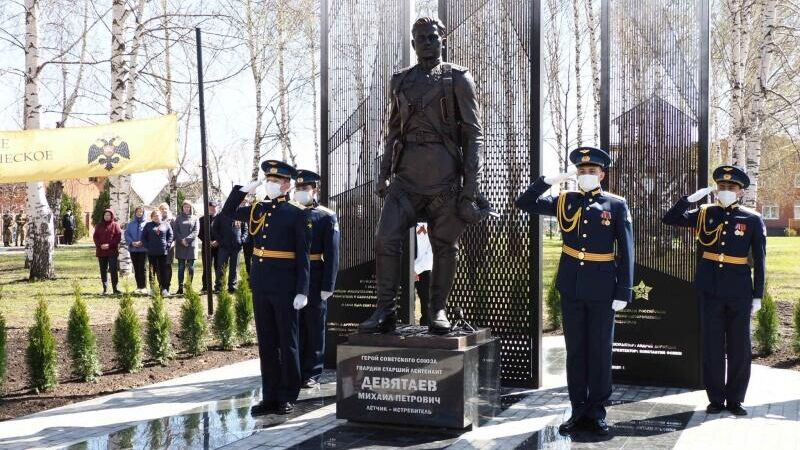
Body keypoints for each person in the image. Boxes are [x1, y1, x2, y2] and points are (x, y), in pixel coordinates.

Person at [359, 16, 485, 335]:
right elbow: (393, 132)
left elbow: (474, 135)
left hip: (444, 179)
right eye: (420, 38)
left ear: (442, 39)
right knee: (385, 239)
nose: (427, 42)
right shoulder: (400, 81)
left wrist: (469, 190)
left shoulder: (458, 78)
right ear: (413, 43)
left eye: (432, 37)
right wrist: (383, 173)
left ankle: (437, 309)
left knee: (444, 245)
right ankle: (385, 310)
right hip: (406, 179)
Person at [516, 146, 634, 436]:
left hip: (603, 289)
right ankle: (578, 409)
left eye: (591, 171)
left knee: (600, 351)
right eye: (581, 171)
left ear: (602, 174)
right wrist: (548, 181)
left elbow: (628, 250)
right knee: (576, 352)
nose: (586, 175)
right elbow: (524, 202)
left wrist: (624, 291)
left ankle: (597, 413)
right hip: (572, 287)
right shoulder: (564, 200)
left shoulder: (615, 205)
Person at [662, 165, 765, 417]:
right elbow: (670, 218)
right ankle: (716, 398)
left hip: (739, 291)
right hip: (710, 289)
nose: (726, 191)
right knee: (713, 346)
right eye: (722, 187)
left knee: (740, 347)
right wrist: (689, 200)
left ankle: (736, 399)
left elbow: (760, 260)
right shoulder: (704, 212)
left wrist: (758, 295)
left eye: (731, 188)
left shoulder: (751, 219)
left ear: (740, 192)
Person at [222, 159, 311, 416]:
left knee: (288, 341)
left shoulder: (297, 213)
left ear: (286, 184)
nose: (270, 184)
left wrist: (302, 290)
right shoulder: (258, 209)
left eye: (275, 181)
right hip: (261, 285)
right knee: (267, 343)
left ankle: (287, 395)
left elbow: (303, 256)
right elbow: (228, 213)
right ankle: (269, 396)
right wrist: (243, 190)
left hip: (286, 287)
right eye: (268, 180)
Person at [294, 169, 340, 389]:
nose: (301, 192)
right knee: (294, 325)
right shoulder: (290, 212)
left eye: (305, 189)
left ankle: (312, 371)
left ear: (315, 190)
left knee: (314, 325)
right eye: (298, 188)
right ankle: (294, 368)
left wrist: (328, 285)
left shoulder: (326, 215)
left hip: (315, 274)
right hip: (291, 275)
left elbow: (332, 253)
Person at [212, 202, 246, 293]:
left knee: (234, 267)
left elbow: (245, 230)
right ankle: (219, 287)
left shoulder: (240, 215)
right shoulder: (221, 215)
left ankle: (232, 286)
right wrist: (220, 241)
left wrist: (241, 240)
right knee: (221, 267)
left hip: (236, 246)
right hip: (224, 246)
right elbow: (214, 229)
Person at [142, 209, 174, 297]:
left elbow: (171, 235)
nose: (157, 217)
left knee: (163, 271)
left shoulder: (166, 224)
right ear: (152, 217)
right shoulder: (148, 225)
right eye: (155, 216)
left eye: (158, 215)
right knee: (152, 271)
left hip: (163, 252)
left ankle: (164, 289)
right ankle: (152, 289)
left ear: (161, 216)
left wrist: (168, 245)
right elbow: (143, 237)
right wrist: (147, 246)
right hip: (152, 252)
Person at [93, 209, 123, 295]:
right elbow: (95, 237)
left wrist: (109, 245)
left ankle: (115, 288)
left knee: (113, 269)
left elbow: (118, 237)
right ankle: (105, 288)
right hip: (101, 251)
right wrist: (100, 245)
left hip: (112, 251)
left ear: (111, 216)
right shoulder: (98, 226)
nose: (107, 216)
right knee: (103, 270)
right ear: (103, 216)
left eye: (108, 215)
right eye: (105, 215)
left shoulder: (115, 225)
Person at [174, 200, 199, 295]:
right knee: (181, 267)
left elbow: (196, 231)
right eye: (185, 207)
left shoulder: (195, 218)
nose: (186, 208)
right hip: (180, 246)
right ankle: (180, 287)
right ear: (182, 208)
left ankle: (189, 286)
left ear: (191, 208)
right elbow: (175, 231)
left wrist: (187, 240)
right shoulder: (178, 218)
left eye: (188, 207)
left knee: (191, 267)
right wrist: (182, 240)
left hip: (191, 246)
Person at [125, 206, 149, 294]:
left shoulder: (147, 224)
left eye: (141, 212)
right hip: (133, 249)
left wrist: (142, 242)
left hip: (143, 249)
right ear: (135, 213)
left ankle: (144, 287)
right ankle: (138, 286)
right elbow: (127, 234)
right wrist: (132, 242)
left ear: (143, 213)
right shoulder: (130, 224)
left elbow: (148, 235)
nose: (139, 213)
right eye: (137, 212)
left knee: (142, 268)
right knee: (136, 268)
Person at [414, 222, 433, 326]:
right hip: (405, 269)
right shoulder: (405, 227)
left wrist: (415, 270)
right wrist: (409, 270)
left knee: (427, 303)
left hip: (425, 269)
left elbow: (431, 254)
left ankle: (426, 329)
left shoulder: (433, 228)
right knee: (404, 303)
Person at [199, 200, 220, 293]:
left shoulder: (221, 218)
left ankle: (218, 286)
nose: (213, 209)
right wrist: (209, 241)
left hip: (219, 247)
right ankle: (205, 287)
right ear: (207, 208)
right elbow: (200, 234)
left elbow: (224, 232)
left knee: (218, 267)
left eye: (214, 207)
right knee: (206, 267)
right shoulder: (202, 219)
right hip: (206, 247)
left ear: (217, 208)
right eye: (211, 207)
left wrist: (218, 241)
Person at [158, 202, 175, 293]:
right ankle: (161, 286)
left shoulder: (172, 220)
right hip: (159, 248)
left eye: (165, 209)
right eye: (162, 209)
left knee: (167, 266)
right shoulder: (157, 220)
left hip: (169, 248)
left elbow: (174, 234)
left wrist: (171, 243)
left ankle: (167, 287)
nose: (164, 210)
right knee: (160, 267)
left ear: (168, 210)